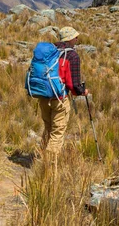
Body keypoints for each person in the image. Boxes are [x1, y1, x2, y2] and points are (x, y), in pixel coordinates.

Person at [39, 26, 88, 157]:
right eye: (75, 37)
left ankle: (41, 157)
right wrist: (83, 91)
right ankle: (48, 166)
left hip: (43, 96)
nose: (77, 39)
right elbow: (74, 85)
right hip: (60, 98)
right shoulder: (72, 55)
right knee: (57, 132)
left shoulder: (49, 50)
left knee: (48, 129)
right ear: (70, 39)